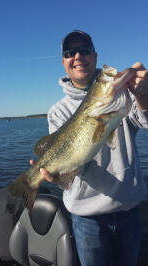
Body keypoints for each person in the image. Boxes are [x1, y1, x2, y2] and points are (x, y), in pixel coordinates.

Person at [31, 30, 148, 266]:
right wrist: (56, 175)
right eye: (69, 53)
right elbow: (73, 164)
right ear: (63, 62)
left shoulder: (122, 95)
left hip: (130, 211)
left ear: (94, 56)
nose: (78, 56)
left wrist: (143, 95)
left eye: (84, 50)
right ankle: (28, 183)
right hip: (87, 219)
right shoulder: (58, 111)